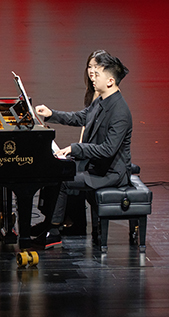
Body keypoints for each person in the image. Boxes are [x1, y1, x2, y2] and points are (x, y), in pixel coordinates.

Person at [32, 52, 132, 249]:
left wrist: (74, 149)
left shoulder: (120, 111)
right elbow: (81, 117)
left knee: (63, 180)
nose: (93, 78)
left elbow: (108, 150)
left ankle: (54, 232)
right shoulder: (102, 100)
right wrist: (52, 114)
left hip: (110, 174)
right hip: (97, 166)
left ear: (110, 81)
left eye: (98, 74)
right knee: (54, 169)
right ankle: (49, 222)